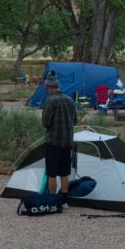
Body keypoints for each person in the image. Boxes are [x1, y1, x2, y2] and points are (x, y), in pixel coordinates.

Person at [41, 70, 77, 207]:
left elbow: (45, 123)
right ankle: (64, 201)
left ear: (49, 87)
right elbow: (74, 120)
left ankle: (52, 200)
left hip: (53, 142)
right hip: (67, 142)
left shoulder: (50, 101)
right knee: (64, 173)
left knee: (52, 173)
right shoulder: (69, 100)